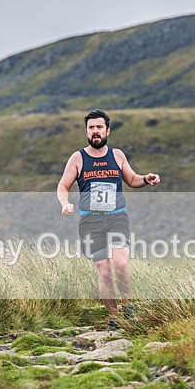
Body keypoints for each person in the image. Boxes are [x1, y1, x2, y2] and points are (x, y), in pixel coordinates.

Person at [57, 110, 160, 329]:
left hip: (116, 218)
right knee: (104, 270)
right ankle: (115, 317)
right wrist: (65, 203)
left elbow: (131, 179)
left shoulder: (117, 155)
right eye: (92, 128)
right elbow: (63, 185)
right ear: (86, 132)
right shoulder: (78, 158)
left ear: (107, 130)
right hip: (90, 222)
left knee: (120, 264)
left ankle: (127, 306)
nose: (96, 131)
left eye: (99, 127)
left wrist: (145, 179)